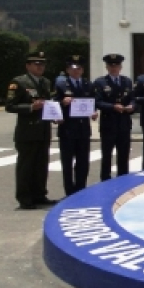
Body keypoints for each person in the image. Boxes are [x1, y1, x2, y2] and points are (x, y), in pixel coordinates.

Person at [5, 51, 57, 209]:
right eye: (36, 64)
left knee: (41, 164)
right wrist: (30, 107)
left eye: (42, 64)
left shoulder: (46, 82)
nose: (40, 67)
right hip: (27, 131)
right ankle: (25, 197)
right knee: (26, 166)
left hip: (43, 129)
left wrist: (55, 114)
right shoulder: (19, 82)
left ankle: (39, 194)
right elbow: (10, 106)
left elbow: (48, 103)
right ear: (28, 66)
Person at [54, 55, 98, 196]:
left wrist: (94, 112)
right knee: (67, 163)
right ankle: (69, 191)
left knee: (83, 162)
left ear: (82, 70)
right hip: (67, 128)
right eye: (73, 69)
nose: (76, 71)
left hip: (83, 128)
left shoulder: (87, 84)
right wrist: (62, 103)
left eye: (79, 68)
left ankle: (81, 189)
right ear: (68, 70)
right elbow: (53, 105)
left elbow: (93, 102)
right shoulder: (61, 85)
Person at [94, 54, 134, 180]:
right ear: (106, 67)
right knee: (107, 156)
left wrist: (132, 106)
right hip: (108, 124)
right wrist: (112, 106)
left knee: (123, 155)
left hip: (124, 123)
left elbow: (132, 98)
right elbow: (97, 101)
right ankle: (105, 180)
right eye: (111, 66)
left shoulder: (127, 81)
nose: (114, 68)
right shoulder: (100, 82)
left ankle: (122, 180)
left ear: (120, 67)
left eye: (116, 65)